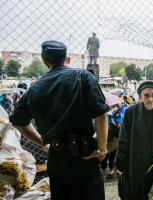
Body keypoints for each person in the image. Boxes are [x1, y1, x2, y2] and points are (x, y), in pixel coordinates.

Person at [9, 40, 110, 200]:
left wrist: (43, 142)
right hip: (85, 156)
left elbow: (18, 122)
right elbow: (101, 115)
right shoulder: (83, 76)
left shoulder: (35, 88)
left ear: (45, 62)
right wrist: (102, 149)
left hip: (57, 160)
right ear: (67, 59)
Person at [116, 80, 153, 200]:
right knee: (136, 193)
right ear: (140, 97)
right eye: (146, 95)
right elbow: (123, 139)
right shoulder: (131, 112)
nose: (150, 99)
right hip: (135, 164)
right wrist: (121, 164)